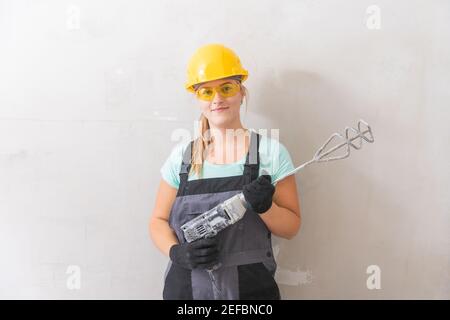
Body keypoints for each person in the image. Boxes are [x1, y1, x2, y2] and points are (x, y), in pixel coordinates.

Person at [149, 43, 301, 300]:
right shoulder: (183, 158)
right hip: (187, 293)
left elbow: (291, 227)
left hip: (251, 295)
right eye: (207, 91)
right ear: (198, 99)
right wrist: (176, 252)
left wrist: (266, 208)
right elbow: (157, 221)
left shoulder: (270, 153)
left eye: (226, 88)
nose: (217, 99)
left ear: (241, 92)